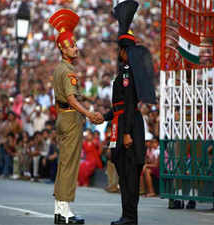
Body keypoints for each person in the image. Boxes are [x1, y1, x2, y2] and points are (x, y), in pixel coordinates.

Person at [96, 1, 157, 224]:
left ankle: (130, 217)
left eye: (120, 50)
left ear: (124, 51)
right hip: (121, 124)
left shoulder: (126, 74)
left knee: (130, 176)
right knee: (124, 173)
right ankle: (126, 215)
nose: (118, 54)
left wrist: (126, 133)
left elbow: (129, 106)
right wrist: (103, 117)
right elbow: (118, 107)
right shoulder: (124, 73)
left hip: (128, 127)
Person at [48, 9, 102, 225]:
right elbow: (71, 98)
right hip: (71, 119)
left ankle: (59, 209)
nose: (76, 48)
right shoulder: (68, 70)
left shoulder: (58, 68)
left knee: (64, 164)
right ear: (62, 48)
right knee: (70, 165)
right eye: (71, 45)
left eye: (75, 44)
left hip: (62, 117)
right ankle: (65, 211)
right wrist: (88, 113)